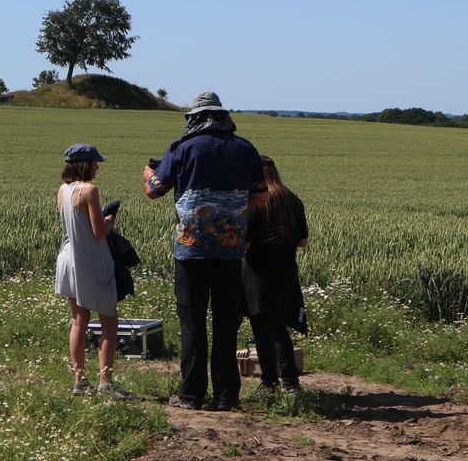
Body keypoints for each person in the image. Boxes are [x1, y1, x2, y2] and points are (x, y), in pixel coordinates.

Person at [143, 92, 267, 411]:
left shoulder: (182, 148)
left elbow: (154, 191)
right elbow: (260, 196)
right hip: (230, 252)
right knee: (226, 324)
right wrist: (232, 209)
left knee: (192, 322)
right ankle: (227, 396)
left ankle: (191, 395)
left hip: (190, 251)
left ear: (194, 118)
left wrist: (148, 173)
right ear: (223, 117)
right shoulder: (245, 149)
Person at [55, 143, 133, 398]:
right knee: (109, 322)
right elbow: (98, 233)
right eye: (96, 162)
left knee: (78, 320)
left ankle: (79, 380)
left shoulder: (62, 191)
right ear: (86, 164)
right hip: (91, 262)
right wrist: (109, 219)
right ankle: (106, 383)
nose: (98, 167)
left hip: (68, 261)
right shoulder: (89, 190)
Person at [242, 155, 309, 393]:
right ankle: (291, 382)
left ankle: (269, 381)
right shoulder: (293, 200)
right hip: (286, 272)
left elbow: (246, 243)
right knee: (280, 327)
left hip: (257, 273)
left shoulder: (257, 202)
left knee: (262, 328)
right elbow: (303, 241)